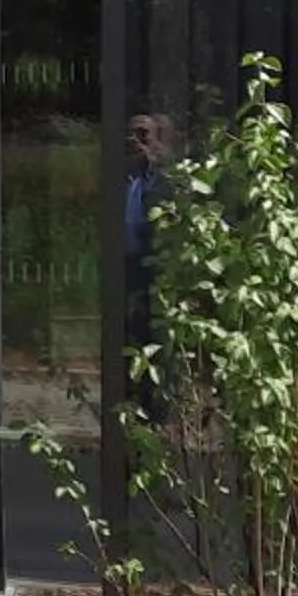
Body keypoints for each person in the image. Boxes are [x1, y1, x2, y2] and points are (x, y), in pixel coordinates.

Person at [124, 111, 173, 423]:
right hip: (121, 269)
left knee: (151, 341)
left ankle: (155, 411)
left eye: (143, 135)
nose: (135, 142)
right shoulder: (121, 177)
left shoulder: (163, 179)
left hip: (153, 270)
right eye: (131, 135)